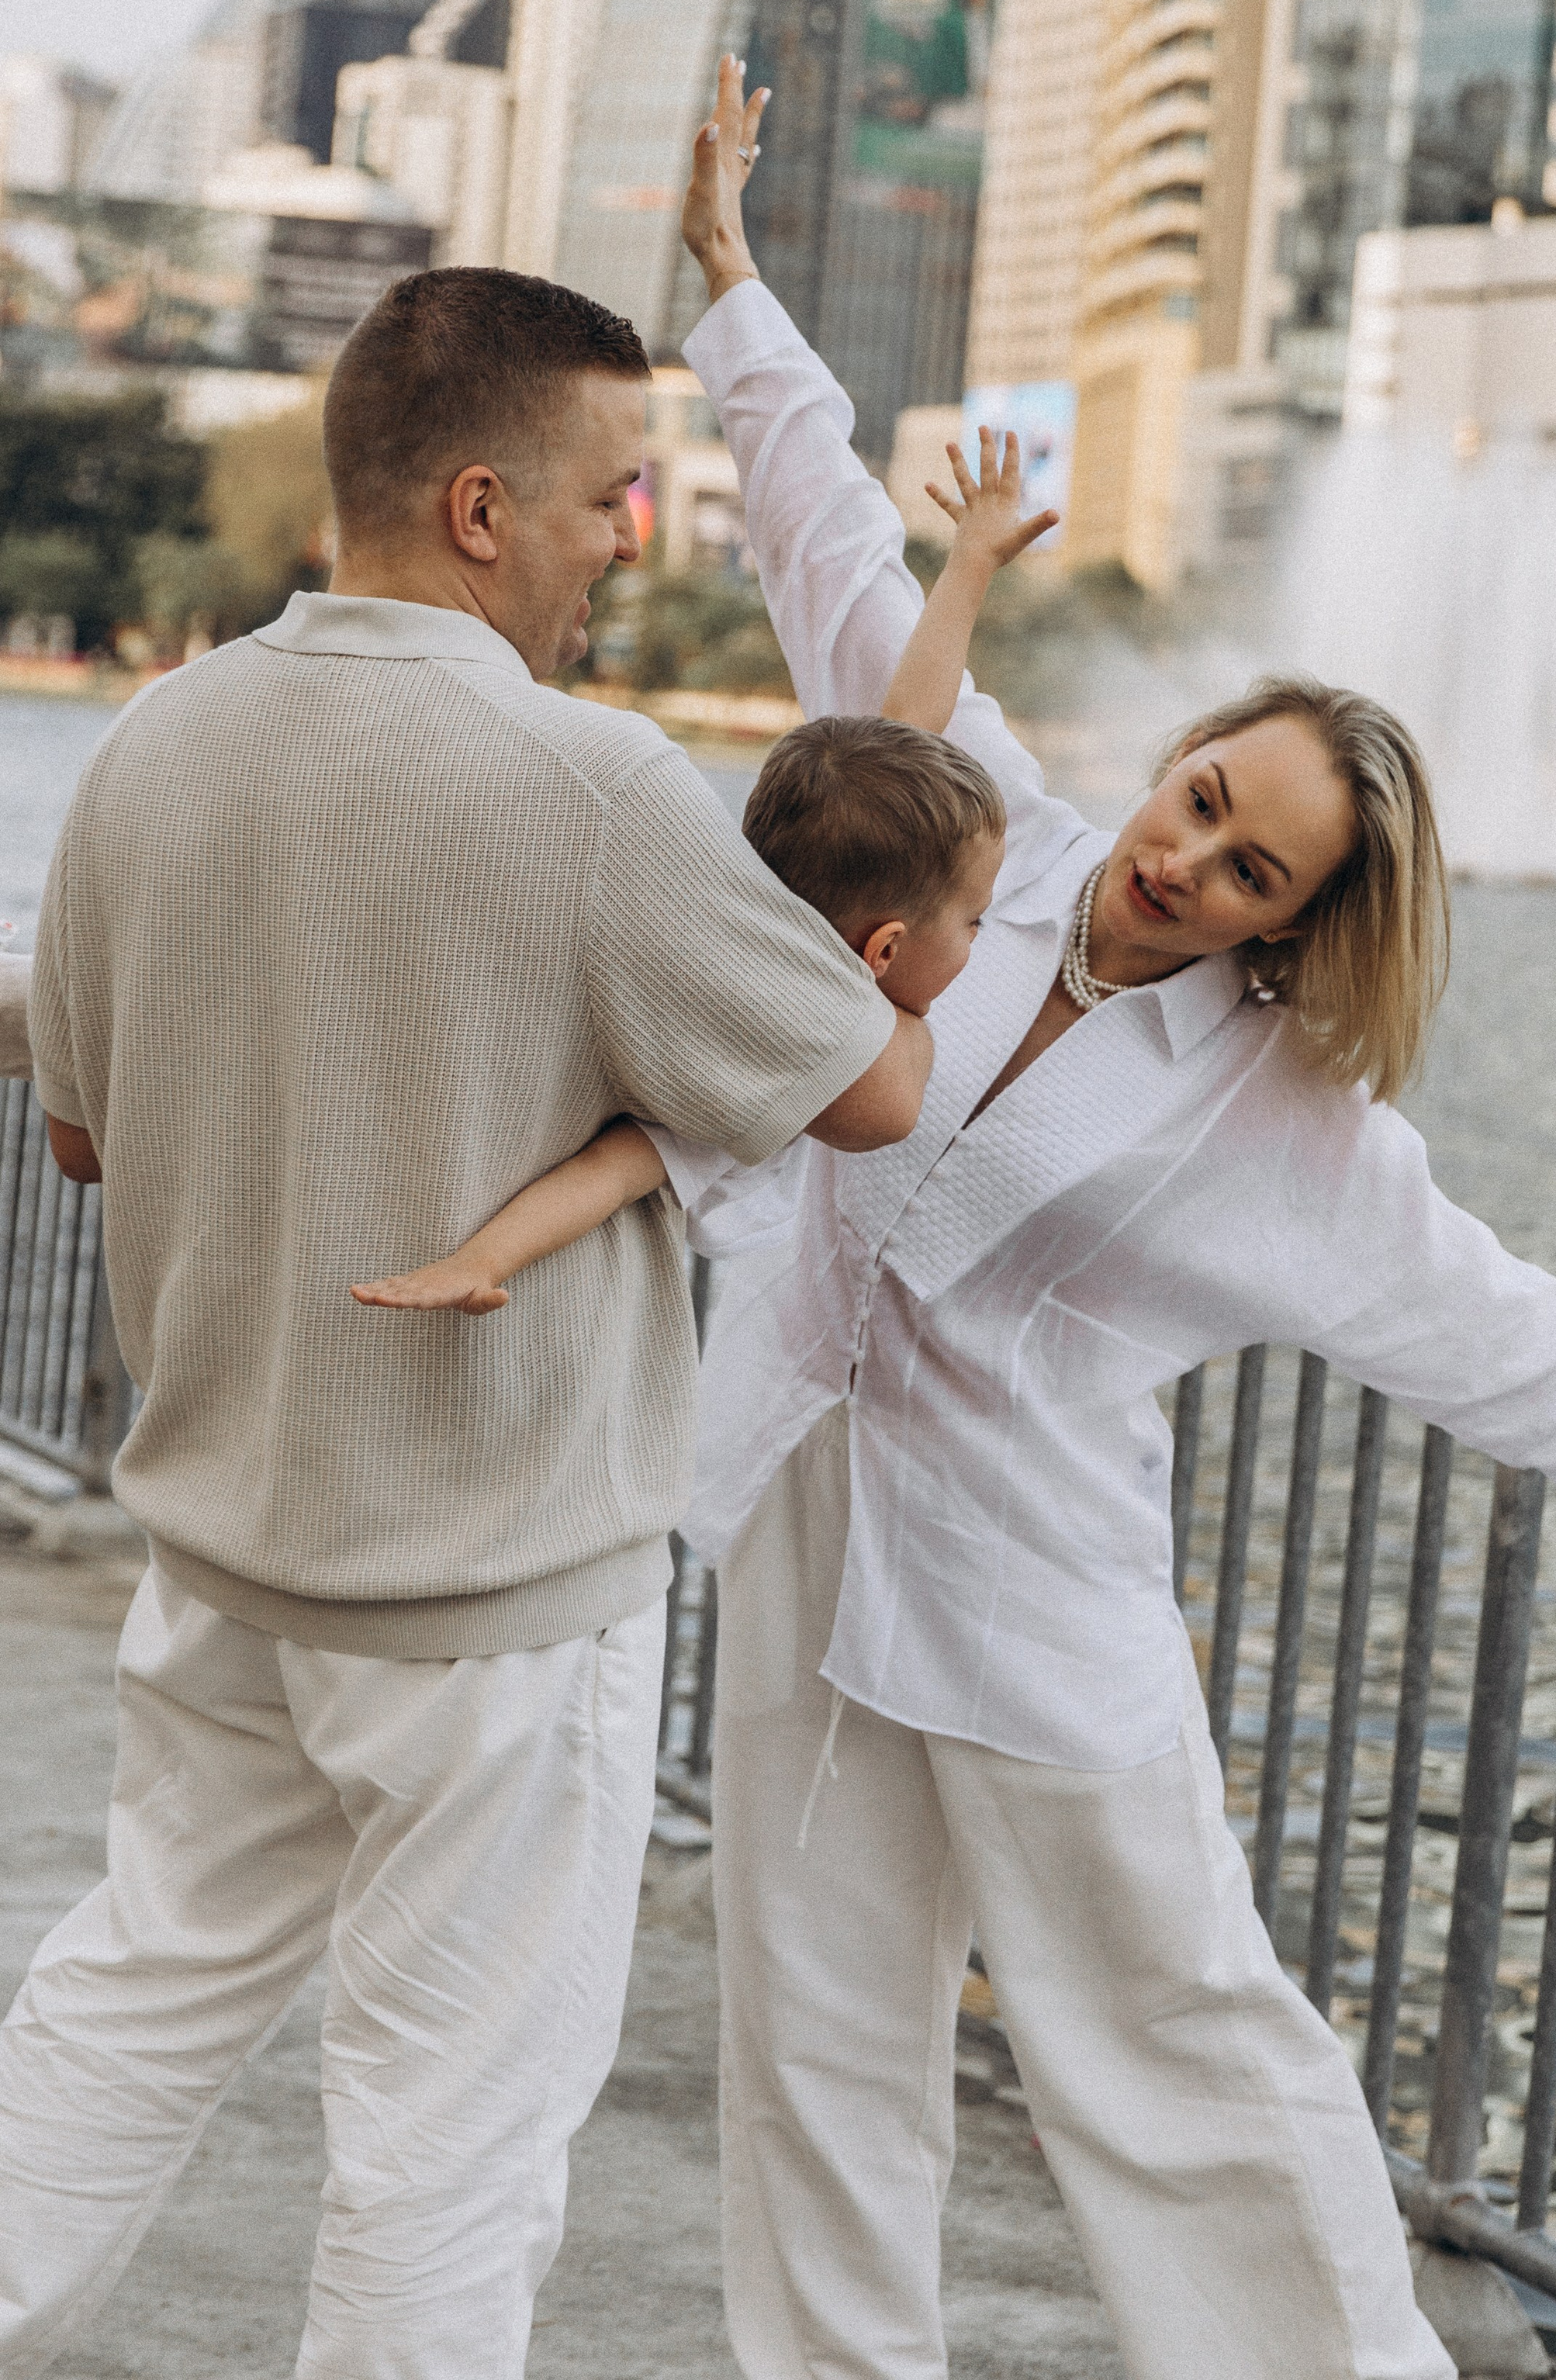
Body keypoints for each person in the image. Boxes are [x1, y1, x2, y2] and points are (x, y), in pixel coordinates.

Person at [669, 59, 1556, 2380]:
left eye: (1251, 863)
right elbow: (837, 565)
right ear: (1173, 751)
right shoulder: (996, 845)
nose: (1184, 857)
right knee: (811, 2036)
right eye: (1200, 795)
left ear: (1299, 916)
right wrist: (737, 287)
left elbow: (1499, 1329)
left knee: (1182, 2050)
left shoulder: (1288, 1122)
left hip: (1038, 1607)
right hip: (806, 1518)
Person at [1, 259, 929, 2378]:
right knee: (448, 2148)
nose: (635, 541)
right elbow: (866, 1086)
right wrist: (612, 1096)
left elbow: (73, 1132)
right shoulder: (589, 790)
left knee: (127, 2003)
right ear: (490, 508)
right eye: (617, 494)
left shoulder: (157, 743)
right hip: (499, 1596)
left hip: (234, 1537)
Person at [346, 430, 1048, 1314]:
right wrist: (479, 1261)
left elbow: (910, 718)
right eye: (975, 921)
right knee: (636, 1157)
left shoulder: (763, 911)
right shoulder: (799, 1022)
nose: (981, 939)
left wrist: (972, 565)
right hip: (644, 1229)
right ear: (885, 947)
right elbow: (622, 1165)